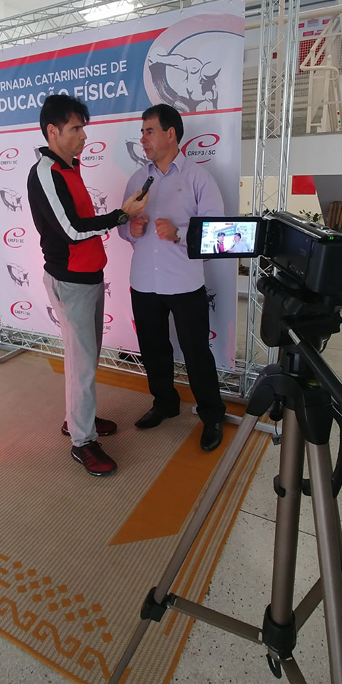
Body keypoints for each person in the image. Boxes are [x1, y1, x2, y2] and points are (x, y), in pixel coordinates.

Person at [27, 94, 149, 477]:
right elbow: (71, 230)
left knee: (87, 358)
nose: (84, 136)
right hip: (70, 281)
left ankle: (78, 419)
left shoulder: (69, 167)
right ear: (53, 131)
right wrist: (120, 215)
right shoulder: (46, 172)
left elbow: (78, 223)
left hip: (89, 276)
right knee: (81, 365)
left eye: (83, 127)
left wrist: (117, 217)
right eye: (76, 128)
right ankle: (82, 441)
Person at [119, 103, 226, 452]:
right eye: (142, 132)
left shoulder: (198, 178)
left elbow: (215, 234)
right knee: (153, 350)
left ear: (170, 134)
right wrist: (131, 229)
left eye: (149, 131)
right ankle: (165, 402)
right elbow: (123, 228)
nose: (143, 138)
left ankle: (212, 415)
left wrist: (179, 234)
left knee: (196, 353)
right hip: (144, 283)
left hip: (184, 284)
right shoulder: (137, 180)